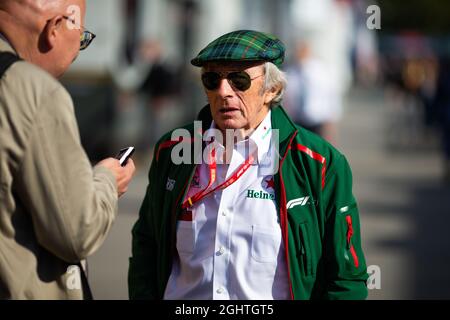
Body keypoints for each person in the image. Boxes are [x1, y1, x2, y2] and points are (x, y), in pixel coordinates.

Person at [128, 30, 368, 300]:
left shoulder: (321, 163)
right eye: (211, 79)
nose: (223, 91)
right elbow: (146, 246)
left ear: (271, 89)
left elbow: (347, 277)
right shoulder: (173, 151)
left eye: (239, 80)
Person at [0, 0, 135, 299]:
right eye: (83, 38)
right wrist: (106, 179)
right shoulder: (34, 90)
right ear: (54, 28)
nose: (77, 51)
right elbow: (77, 231)